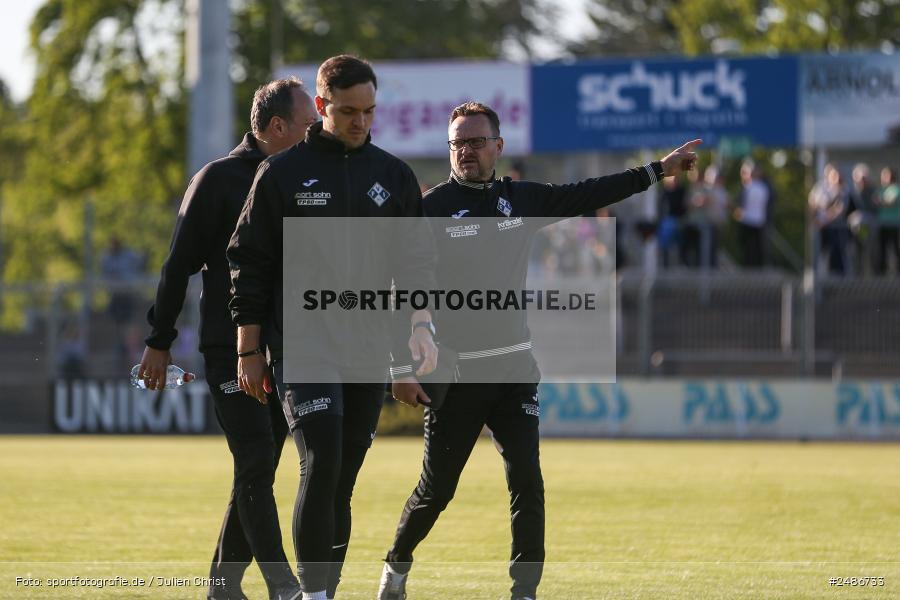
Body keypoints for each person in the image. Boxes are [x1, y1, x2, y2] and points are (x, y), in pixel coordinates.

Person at [378, 101, 700, 600]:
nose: (466, 151)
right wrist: (401, 364)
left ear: (498, 146)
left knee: (527, 482)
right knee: (436, 491)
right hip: (457, 376)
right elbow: (398, 286)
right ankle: (396, 567)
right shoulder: (431, 208)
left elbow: (589, 191)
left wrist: (658, 170)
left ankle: (523, 591)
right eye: (458, 143)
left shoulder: (520, 199)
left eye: (476, 141)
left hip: (514, 370)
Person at [227, 55, 438, 600]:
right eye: (347, 111)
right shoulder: (280, 174)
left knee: (341, 478)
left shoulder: (393, 175)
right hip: (303, 346)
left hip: (368, 348)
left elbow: (415, 263)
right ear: (321, 105)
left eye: (369, 111)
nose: (360, 121)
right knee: (319, 463)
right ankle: (313, 595)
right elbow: (248, 264)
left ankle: (326, 590)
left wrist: (420, 328)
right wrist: (249, 350)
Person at [139, 76, 318, 600]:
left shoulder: (306, 177)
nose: (316, 133)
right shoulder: (217, 179)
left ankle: (222, 587)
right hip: (230, 348)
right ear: (278, 126)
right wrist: (159, 340)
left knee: (258, 468)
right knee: (257, 461)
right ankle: (284, 587)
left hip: (287, 347)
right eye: (308, 124)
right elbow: (178, 265)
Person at [809, 163, 849, 276]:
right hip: (818, 225)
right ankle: (816, 274)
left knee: (835, 251)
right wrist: (816, 219)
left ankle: (836, 275)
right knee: (817, 251)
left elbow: (839, 210)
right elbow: (812, 203)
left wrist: (824, 221)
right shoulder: (820, 187)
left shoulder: (843, 190)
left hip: (834, 226)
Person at [734, 160, 769, 268]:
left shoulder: (750, 187)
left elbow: (741, 204)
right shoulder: (763, 187)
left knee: (751, 248)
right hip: (755, 221)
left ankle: (751, 267)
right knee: (753, 248)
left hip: (751, 221)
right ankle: (754, 267)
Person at [876, 166, 900, 274]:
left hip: (893, 225)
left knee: (895, 249)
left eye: (887, 175)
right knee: (882, 250)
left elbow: (890, 202)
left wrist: (880, 201)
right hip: (882, 224)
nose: (884, 177)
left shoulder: (896, 189)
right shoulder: (881, 190)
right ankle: (881, 273)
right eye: (883, 175)